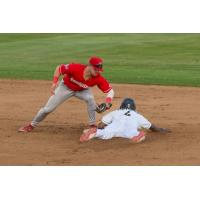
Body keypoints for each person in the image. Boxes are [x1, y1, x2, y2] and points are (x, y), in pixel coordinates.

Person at [18, 56, 114, 132]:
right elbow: (59, 68)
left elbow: (110, 91)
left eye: (99, 70)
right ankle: (31, 125)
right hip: (65, 88)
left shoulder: (98, 78)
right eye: (96, 69)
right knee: (47, 109)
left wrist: (108, 102)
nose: (98, 72)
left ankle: (92, 125)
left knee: (90, 98)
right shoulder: (76, 68)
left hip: (82, 90)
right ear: (89, 66)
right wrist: (54, 83)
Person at [80, 98, 170, 143]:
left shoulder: (115, 112)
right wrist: (162, 130)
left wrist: (99, 127)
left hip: (113, 130)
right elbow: (153, 127)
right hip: (128, 132)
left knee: (105, 132)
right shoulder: (137, 115)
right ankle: (138, 135)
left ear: (121, 106)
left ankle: (96, 133)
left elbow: (101, 125)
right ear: (134, 107)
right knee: (133, 133)